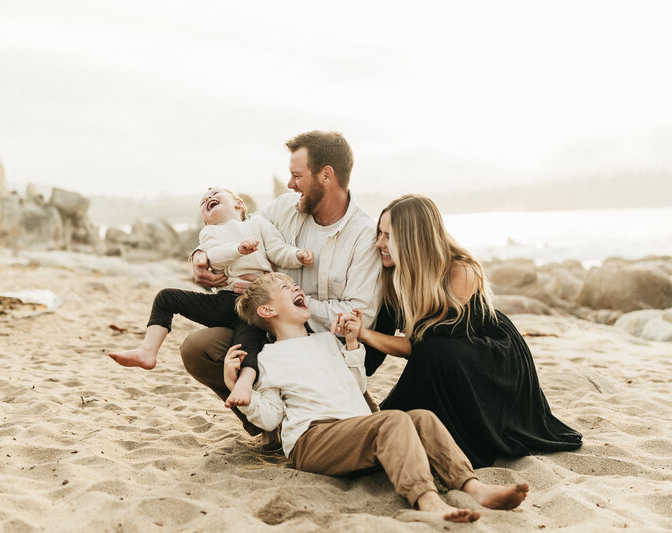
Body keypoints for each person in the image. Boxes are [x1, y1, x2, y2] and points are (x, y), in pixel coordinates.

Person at [226, 272, 529, 523]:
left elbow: (356, 386)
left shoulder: (325, 341)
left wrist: (353, 345)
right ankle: (426, 501)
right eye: (284, 287)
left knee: (422, 417)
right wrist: (239, 390)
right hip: (313, 439)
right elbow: (271, 417)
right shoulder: (268, 358)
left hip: (353, 430)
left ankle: (472, 486)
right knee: (393, 420)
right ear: (267, 311)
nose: (296, 287)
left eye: (295, 284)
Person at [356, 194, 583, 468]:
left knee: (434, 353)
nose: (379, 242)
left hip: (490, 355)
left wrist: (365, 334)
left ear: (412, 239)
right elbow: (375, 351)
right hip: (443, 357)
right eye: (379, 233)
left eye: (388, 235)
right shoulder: (392, 275)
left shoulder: (459, 271)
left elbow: (421, 347)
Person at [180, 131, 382, 433]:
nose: (290, 184)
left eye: (296, 176)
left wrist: (282, 301)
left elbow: (357, 314)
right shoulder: (286, 207)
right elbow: (231, 229)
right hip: (271, 336)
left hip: (330, 348)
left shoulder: (363, 234)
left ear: (326, 176)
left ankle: (346, 399)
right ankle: (267, 428)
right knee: (198, 348)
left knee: (360, 427)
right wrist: (200, 259)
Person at [108, 187, 313, 406]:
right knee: (166, 297)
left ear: (239, 204)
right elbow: (214, 257)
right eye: (203, 201)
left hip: (256, 303)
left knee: (245, 346)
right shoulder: (209, 233)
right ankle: (148, 351)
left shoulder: (258, 225)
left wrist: (297, 255)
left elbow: (278, 249)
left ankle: (244, 384)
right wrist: (238, 249)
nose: (208, 198)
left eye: (215, 193)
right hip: (224, 300)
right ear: (205, 220)